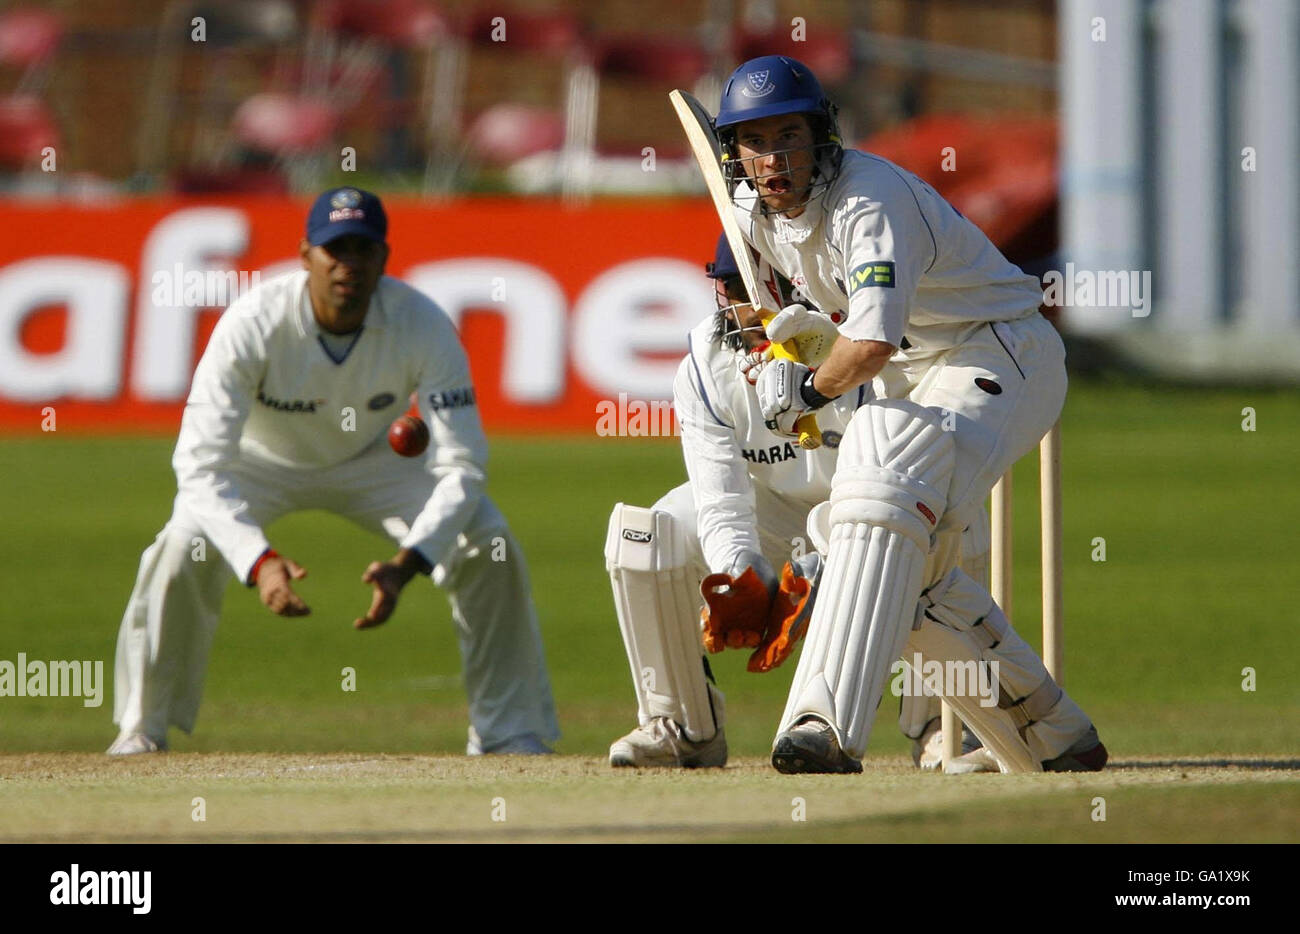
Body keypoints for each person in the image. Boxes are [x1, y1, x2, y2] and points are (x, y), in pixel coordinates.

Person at [712, 55, 1108, 774]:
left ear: (822, 136)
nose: (773, 158)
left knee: (884, 488)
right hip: (915, 375)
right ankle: (1050, 732)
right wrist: (778, 365)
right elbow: (778, 315)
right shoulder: (751, 215)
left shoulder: (868, 202)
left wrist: (802, 394)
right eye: (755, 142)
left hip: (998, 354)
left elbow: (868, 344)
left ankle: (822, 725)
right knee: (910, 562)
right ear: (733, 153)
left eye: (789, 136)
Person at [108, 187, 559, 757]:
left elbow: (463, 465)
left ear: (383, 259)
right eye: (334, 250)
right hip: (260, 462)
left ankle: (507, 730)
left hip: (375, 461)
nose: (348, 265)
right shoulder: (252, 323)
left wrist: (409, 562)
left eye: (362, 250)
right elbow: (199, 464)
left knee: (486, 541)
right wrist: (259, 562)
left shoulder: (422, 323)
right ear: (305, 257)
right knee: (181, 548)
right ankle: (143, 728)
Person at [605, 235, 990, 769]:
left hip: (877, 502)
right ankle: (682, 726)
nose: (761, 303)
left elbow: (893, 472)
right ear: (719, 288)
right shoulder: (703, 365)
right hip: (774, 510)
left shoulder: (865, 342)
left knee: (959, 529)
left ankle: (944, 726)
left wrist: (826, 569)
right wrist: (744, 574)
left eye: (778, 285)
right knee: (646, 533)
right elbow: (720, 497)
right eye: (741, 288)